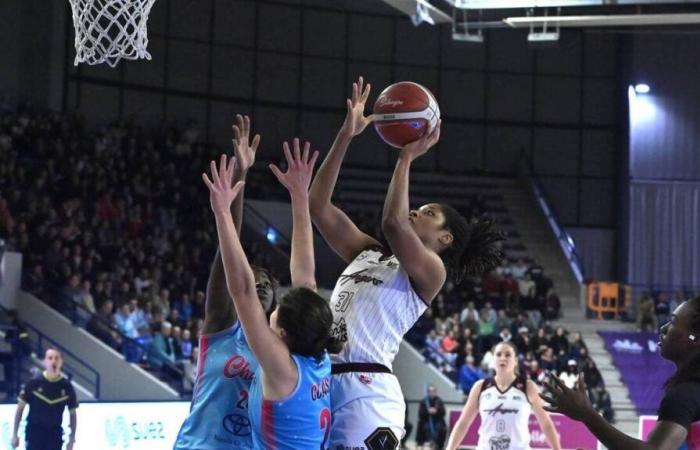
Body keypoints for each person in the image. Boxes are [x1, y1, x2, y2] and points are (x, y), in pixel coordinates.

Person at [309, 76, 505, 448]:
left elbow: (393, 223)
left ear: (445, 238)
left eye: (428, 212)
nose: (417, 210)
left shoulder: (433, 271)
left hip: (367, 390)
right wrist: (346, 135)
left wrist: (406, 156)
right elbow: (317, 205)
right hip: (320, 379)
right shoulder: (367, 252)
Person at [202, 144, 341, 449]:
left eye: (277, 311)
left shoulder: (282, 368)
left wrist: (223, 213)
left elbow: (241, 290)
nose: (273, 308)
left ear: (282, 333)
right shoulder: (317, 359)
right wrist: (299, 196)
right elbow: (305, 272)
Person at [175, 115, 279, 449]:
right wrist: (241, 175)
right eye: (254, 279)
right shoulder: (222, 324)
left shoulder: (280, 349)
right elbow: (227, 249)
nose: (260, 285)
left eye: (267, 284)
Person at [542, 296, 700, 450]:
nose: (663, 328)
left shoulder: (685, 395)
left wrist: (587, 414)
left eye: (673, 321)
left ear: (695, 339)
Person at [446, 341, 561, 450]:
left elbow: (546, 424)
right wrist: (450, 448)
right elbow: (463, 423)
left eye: (507, 355)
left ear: (515, 361)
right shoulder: (481, 387)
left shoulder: (528, 387)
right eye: (499, 354)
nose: (503, 358)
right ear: (493, 360)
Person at [11, 348, 78, 450]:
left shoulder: (66, 386)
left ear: (61, 362)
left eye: (56, 358)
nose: (53, 361)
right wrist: (15, 434)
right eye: (50, 358)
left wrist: (72, 438)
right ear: (45, 361)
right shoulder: (34, 382)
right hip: (34, 432)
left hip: (54, 434)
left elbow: (72, 414)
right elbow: (20, 409)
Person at [416, 385, 447, 449]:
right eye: (430, 391)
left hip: (437, 421)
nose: (432, 393)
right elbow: (420, 414)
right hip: (426, 421)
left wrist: (436, 411)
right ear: (428, 392)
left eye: (433, 391)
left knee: (441, 428)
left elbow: (443, 412)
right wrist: (428, 411)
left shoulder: (439, 401)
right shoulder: (424, 401)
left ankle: (438, 445)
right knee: (424, 427)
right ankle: (424, 443)